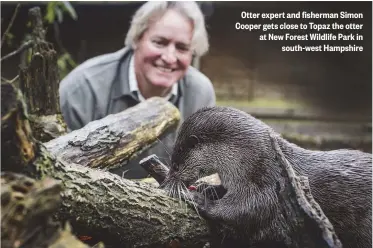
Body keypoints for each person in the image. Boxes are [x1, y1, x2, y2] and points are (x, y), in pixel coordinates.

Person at [59, 1, 216, 179]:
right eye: (159, 42)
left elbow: (202, 171)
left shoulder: (200, 95)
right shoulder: (82, 90)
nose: (169, 57)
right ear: (136, 39)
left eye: (182, 48)